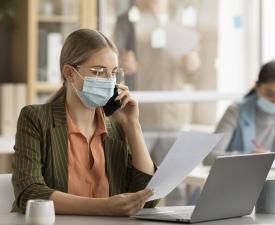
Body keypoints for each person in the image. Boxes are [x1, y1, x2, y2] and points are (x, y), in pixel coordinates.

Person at [11, 29, 158, 215]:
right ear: (69, 73)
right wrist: (105, 207)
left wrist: (132, 125)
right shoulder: (35, 118)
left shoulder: (117, 126)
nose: (109, 81)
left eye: (113, 73)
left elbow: (148, 199)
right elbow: (28, 193)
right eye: (99, 72)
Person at [204, 61, 275, 165]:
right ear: (257, 87)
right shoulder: (235, 111)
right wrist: (248, 157)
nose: (274, 100)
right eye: (270, 93)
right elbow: (209, 157)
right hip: (235, 178)